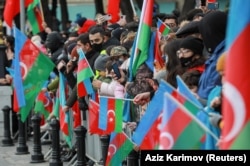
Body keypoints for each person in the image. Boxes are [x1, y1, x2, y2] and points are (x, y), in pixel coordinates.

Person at [197, 11, 227, 104]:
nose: (201, 37)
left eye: (205, 32)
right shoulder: (215, 54)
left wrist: (195, 99)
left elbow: (209, 93)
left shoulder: (226, 56)